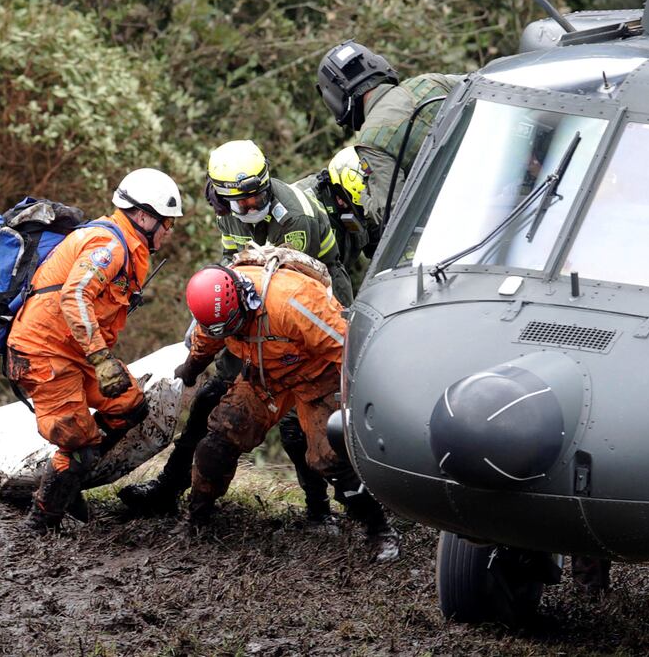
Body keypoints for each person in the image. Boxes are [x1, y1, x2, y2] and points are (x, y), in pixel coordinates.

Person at [118, 139, 353, 521]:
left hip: (307, 305)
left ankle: (320, 508)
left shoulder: (296, 220)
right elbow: (235, 260)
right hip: (253, 300)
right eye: (238, 202)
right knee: (210, 400)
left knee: (298, 422)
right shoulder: (227, 208)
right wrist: (211, 311)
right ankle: (171, 486)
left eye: (254, 198)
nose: (248, 207)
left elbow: (292, 292)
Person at [175, 260, 399, 561]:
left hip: (317, 376)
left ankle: (379, 530)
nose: (232, 333)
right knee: (218, 441)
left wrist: (368, 397)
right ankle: (197, 519)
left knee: (328, 457)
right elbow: (206, 342)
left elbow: (349, 349)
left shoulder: (294, 302)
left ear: (243, 300)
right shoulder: (216, 315)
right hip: (265, 375)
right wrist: (190, 369)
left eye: (234, 325)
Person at [6, 168, 183, 534]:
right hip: (44, 354)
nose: (169, 230)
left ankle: (69, 479)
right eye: (166, 223)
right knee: (79, 445)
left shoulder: (128, 246)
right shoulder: (110, 245)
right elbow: (75, 296)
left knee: (129, 406)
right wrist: (102, 359)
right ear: (144, 216)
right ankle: (41, 523)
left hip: (77, 352)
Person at [317, 40, 464, 228]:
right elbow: (491, 83)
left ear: (335, 98)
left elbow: (392, 215)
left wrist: (360, 195)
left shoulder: (371, 140)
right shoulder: (430, 81)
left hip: (464, 212)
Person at [294, 145, 376, 271]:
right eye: (356, 207)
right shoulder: (303, 206)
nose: (364, 213)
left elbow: (379, 244)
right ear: (340, 196)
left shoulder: (366, 205)